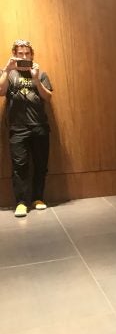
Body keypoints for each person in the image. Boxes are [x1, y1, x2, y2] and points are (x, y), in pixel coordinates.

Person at [0, 40, 53, 217]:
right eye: (20, 54)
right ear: (14, 54)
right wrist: (7, 70)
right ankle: (21, 202)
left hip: (39, 127)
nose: (24, 57)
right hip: (17, 128)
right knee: (19, 167)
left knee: (40, 165)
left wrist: (36, 79)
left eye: (27, 54)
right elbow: (0, 91)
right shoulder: (8, 74)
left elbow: (48, 97)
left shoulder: (40, 74)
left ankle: (38, 198)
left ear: (32, 55)